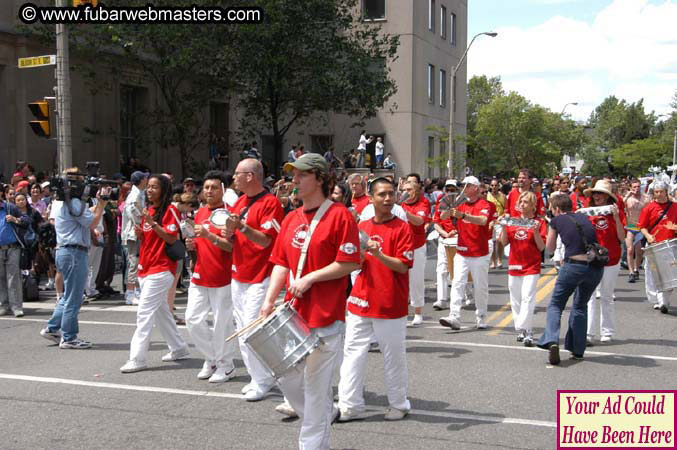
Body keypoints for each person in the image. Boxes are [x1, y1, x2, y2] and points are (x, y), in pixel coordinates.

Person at [260, 153, 360, 450]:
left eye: (301, 175)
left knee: (315, 391)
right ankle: (322, 416)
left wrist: (311, 277)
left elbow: (349, 262)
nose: (295, 180)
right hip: (294, 315)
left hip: (326, 317)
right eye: (293, 175)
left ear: (319, 178)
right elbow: (280, 262)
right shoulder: (290, 218)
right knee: (285, 379)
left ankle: (314, 442)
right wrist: (268, 301)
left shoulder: (339, 215)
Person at [337, 178, 413, 422]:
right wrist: (359, 256)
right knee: (352, 354)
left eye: (391, 194)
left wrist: (377, 253)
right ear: (371, 198)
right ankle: (350, 405)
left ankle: (399, 404)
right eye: (382, 194)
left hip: (390, 303)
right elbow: (353, 260)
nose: (388, 199)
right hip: (360, 299)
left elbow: (402, 267)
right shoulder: (362, 225)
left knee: (393, 356)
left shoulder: (402, 228)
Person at [225, 158, 285, 401]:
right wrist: (227, 231)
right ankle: (258, 376)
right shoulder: (239, 202)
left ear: (250, 176)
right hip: (238, 273)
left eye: (237, 174)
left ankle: (263, 379)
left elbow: (266, 241)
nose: (234, 178)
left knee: (253, 330)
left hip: (261, 276)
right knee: (242, 330)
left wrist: (241, 228)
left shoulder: (271, 203)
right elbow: (232, 237)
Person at [120, 175, 189, 372]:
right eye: (148, 187)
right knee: (161, 313)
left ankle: (138, 358)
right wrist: (141, 231)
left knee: (143, 313)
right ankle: (179, 348)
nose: (149, 190)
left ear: (164, 190)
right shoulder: (148, 210)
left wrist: (152, 223)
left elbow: (171, 237)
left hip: (162, 268)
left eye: (154, 187)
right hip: (146, 267)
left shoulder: (170, 210)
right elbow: (149, 239)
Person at [40, 169, 108, 348]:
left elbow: (85, 214)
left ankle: (53, 328)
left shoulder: (66, 203)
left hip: (66, 251)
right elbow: (92, 222)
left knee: (68, 295)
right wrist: (102, 203)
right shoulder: (74, 203)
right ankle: (69, 338)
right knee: (75, 297)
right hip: (74, 253)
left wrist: (99, 204)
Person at [537, 194, 603, 365]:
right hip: (595, 267)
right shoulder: (583, 217)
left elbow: (550, 248)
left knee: (556, 304)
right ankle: (578, 350)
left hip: (573, 265)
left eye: (552, 208)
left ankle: (551, 340)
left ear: (557, 209)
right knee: (580, 305)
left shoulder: (557, 220)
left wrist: (551, 225)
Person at [184, 171, 237, 382]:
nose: (209, 191)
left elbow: (231, 246)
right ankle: (212, 357)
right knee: (192, 319)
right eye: (206, 188)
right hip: (200, 273)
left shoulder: (230, 215)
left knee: (222, 322)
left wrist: (208, 236)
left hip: (223, 275)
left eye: (214, 188)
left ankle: (227, 364)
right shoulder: (200, 213)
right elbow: (199, 240)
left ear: (223, 190)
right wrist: (193, 245)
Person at [439, 176, 496, 330]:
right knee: (457, 283)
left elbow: (483, 220)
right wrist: (448, 209)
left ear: (475, 188)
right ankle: (454, 316)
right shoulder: (460, 201)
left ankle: (481, 316)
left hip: (479, 253)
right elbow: (443, 216)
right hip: (462, 251)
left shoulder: (484, 204)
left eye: (467, 185)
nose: (463, 187)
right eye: (463, 185)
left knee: (480, 286)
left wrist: (462, 215)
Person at [499, 191, 546, 346]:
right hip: (515, 265)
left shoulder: (539, 222)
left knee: (528, 297)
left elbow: (541, 247)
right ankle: (522, 330)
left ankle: (526, 328)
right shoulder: (512, 221)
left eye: (526, 202)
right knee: (516, 299)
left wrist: (536, 232)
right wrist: (504, 227)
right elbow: (504, 242)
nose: (522, 204)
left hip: (531, 266)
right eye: (521, 202)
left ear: (533, 205)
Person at [583, 180, 625, 344]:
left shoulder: (617, 213)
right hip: (592, 258)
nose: (597, 196)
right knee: (589, 296)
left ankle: (607, 331)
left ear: (608, 196)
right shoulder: (588, 212)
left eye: (600, 193)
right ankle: (588, 332)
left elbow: (621, 237)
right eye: (595, 193)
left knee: (606, 296)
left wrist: (616, 217)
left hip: (611, 259)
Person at [639, 180, 677, 314]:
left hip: (670, 245)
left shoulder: (675, 207)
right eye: (656, 192)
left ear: (666, 192)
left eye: (661, 191)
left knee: (669, 274)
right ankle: (655, 299)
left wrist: (675, 228)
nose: (659, 194)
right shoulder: (649, 207)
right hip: (653, 244)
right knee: (651, 272)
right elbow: (642, 226)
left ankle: (663, 301)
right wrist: (648, 236)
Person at [400, 174, 431, 326]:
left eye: (410, 190)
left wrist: (404, 213)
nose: (407, 193)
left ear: (416, 191)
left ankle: (418, 311)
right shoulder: (399, 203)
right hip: (400, 247)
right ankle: (401, 312)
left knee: (416, 281)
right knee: (400, 280)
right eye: (404, 190)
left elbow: (419, 221)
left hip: (416, 246)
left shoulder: (423, 202)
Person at [0, 185, 29, 317]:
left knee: (13, 278)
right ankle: (4, 305)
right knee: (1, 278)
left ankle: (16, 307)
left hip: (13, 247)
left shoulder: (9, 207)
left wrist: (15, 219)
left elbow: (26, 220)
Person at [122, 171, 148, 305]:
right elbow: (134, 213)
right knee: (133, 262)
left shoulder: (140, 193)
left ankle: (137, 290)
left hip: (137, 231)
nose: (147, 180)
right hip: (133, 232)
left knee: (139, 262)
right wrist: (143, 223)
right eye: (145, 178)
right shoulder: (134, 194)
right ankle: (130, 293)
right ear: (141, 180)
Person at [432, 180, 458, 311]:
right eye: (447, 190)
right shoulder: (440, 203)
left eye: (453, 190)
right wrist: (444, 234)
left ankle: (462, 296)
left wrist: (457, 232)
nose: (450, 193)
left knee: (459, 271)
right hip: (445, 239)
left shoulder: (463, 203)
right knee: (441, 269)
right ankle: (441, 299)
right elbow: (436, 222)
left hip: (460, 240)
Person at [624, 179, 650, 283]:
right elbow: (620, 205)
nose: (636, 189)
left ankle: (636, 269)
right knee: (630, 250)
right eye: (634, 187)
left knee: (639, 251)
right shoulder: (628, 198)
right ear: (630, 188)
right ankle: (630, 272)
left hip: (640, 227)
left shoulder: (645, 198)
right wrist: (627, 195)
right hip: (630, 226)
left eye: (638, 186)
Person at [487, 179, 506, 268]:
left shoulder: (502, 196)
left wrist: (502, 217)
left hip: (499, 221)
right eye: (492, 185)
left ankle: (500, 259)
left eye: (496, 185)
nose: (494, 187)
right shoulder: (487, 196)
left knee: (499, 241)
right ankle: (493, 261)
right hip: (490, 222)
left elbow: (506, 209)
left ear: (498, 186)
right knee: (492, 242)